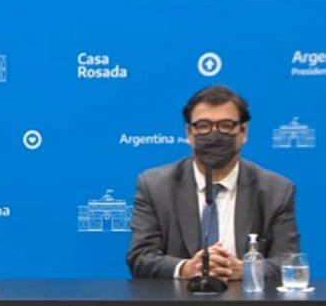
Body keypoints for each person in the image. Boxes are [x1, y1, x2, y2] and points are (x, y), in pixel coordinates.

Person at [126, 85, 298, 281]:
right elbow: (140, 258)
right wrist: (186, 268)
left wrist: (248, 269)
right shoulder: (154, 186)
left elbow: (288, 261)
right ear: (189, 133)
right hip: (179, 299)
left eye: (226, 125)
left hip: (246, 299)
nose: (214, 134)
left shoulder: (276, 190)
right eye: (203, 126)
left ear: (243, 132)